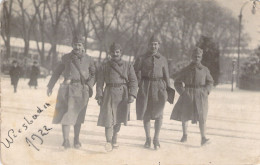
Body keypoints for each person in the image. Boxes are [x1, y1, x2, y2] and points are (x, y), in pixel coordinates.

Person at [47, 35, 95, 149]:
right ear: (72, 45)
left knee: (78, 116)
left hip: (82, 90)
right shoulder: (66, 58)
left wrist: (89, 86)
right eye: (75, 45)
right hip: (67, 89)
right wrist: (50, 86)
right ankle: (66, 140)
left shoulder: (89, 59)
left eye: (79, 45)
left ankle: (76, 140)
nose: (77, 47)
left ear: (83, 45)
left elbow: (93, 74)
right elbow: (57, 72)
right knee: (66, 114)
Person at [96, 43, 138, 152]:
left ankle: (115, 136)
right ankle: (108, 142)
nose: (115, 54)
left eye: (117, 52)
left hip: (122, 94)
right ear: (110, 53)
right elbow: (100, 82)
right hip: (109, 93)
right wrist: (99, 95)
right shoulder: (104, 66)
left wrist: (132, 94)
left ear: (121, 53)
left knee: (119, 118)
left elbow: (133, 81)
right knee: (108, 119)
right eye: (113, 52)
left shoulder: (128, 65)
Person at [170, 47, 214, 146]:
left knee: (202, 116)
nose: (196, 58)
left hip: (201, 94)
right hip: (188, 94)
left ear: (201, 57)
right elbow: (177, 82)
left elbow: (210, 82)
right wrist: (183, 92)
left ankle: (203, 138)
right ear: (191, 57)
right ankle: (184, 134)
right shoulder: (186, 69)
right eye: (194, 56)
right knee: (185, 115)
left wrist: (206, 91)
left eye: (198, 56)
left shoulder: (205, 70)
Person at [134, 35, 171, 150]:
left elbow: (167, 76)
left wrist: (168, 89)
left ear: (159, 46)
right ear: (148, 45)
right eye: (151, 44)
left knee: (159, 113)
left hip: (159, 88)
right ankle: (148, 138)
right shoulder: (141, 58)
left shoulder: (163, 59)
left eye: (156, 44)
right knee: (146, 113)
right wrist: (139, 83)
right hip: (146, 87)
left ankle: (156, 138)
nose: (153, 46)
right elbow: (134, 73)